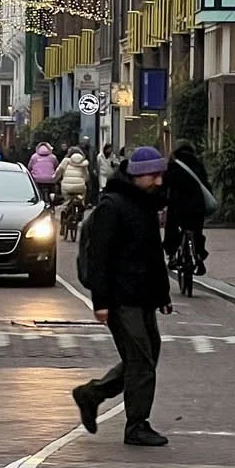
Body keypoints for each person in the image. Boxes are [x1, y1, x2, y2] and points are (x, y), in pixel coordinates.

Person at [73, 146, 172, 446]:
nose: (158, 182)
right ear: (138, 177)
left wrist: (163, 294)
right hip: (121, 298)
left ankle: (92, 394)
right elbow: (99, 257)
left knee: (144, 357)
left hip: (144, 296)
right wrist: (100, 302)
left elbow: (154, 255)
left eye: (160, 176)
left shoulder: (145, 204)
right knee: (141, 360)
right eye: (153, 176)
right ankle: (137, 425)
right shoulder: (112, 207)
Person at [163, 142, 211, 275]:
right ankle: (199, 257)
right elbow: (205, 184)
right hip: (197, 206)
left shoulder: (173, 165)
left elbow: (165, 184)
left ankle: (172, 256)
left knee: (172, 228)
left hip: (178, 206)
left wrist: (161, 202)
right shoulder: (198, 164)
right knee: (197, 231)